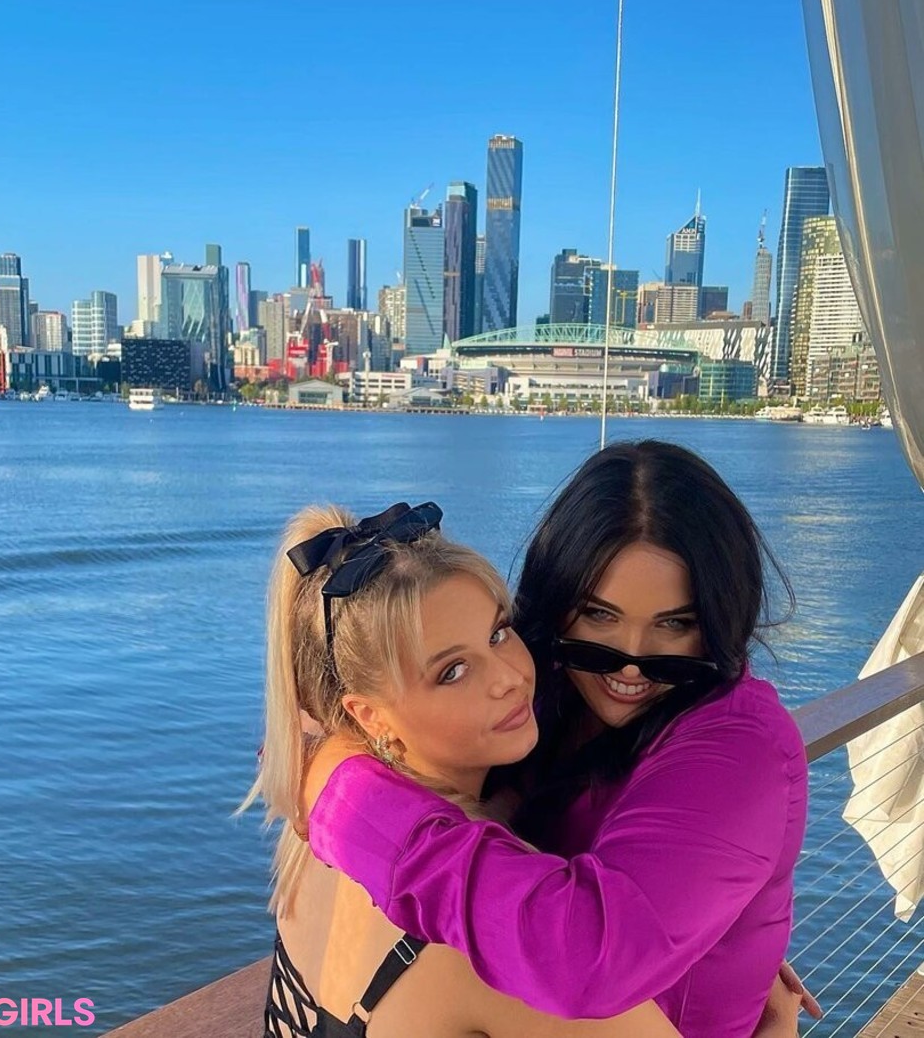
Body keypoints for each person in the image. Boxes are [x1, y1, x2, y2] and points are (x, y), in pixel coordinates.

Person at [304, 442, 811, 1038]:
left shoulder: (743, 750)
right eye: (599, 615)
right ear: (557, 600)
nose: (631, 662)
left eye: (676, 623)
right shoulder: (544, 680)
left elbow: (585, 959)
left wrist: (345, 800)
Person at [244, 499, 686, 1037]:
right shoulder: (486, 928)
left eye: (498, 633)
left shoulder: (319, 837)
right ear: (370, 715)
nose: (508, 677)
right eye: (452, 671)